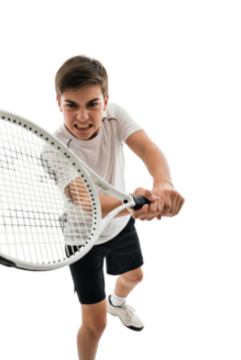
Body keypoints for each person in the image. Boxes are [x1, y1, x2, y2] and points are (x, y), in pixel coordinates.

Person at [50, 54, 187, 360]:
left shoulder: (116, 113)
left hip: (118, 224)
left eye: (92, 104)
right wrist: (134, 204)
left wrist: (163, 184)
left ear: (106, 100)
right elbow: (86, 201)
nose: (82, 116)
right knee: (96, 325)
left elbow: (146, 146)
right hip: (81, 237)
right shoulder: (56, 146)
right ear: (58, 101)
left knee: (136, 276)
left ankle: (117, 302)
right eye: (71, 105)